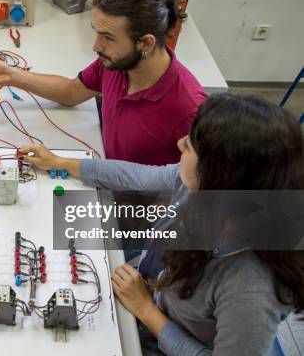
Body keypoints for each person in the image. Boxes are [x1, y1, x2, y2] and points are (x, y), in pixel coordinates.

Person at [20, 94, 304, 355]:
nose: (180, 143)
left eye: (190, 145)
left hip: (159, 333)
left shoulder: (251, 286)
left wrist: (147, 311)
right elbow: (139, 177)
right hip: (145, 287)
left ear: (220, 173)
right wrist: (60, 162)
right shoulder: (201, 188)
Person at [0, 0, 207, 166]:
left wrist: (61, 163)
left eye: (108, 37)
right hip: (103, 174)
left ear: (146, 43)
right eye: (97, 33)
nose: (96, 47)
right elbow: (71, 92)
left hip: (137, 207)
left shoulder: (188, 110)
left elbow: (196, 192)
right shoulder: (117, 62)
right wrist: (12, 75)